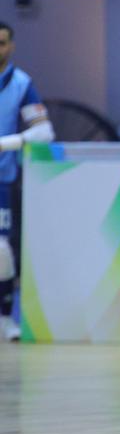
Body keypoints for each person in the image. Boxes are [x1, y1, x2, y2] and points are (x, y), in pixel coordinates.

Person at [0, 21, 55, 342]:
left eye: (3, 42)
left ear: (12, 46)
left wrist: (4, 143)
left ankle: (5, 318)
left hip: (2, 182)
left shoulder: (21, 84)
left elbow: (44, 132)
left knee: (2, 251)